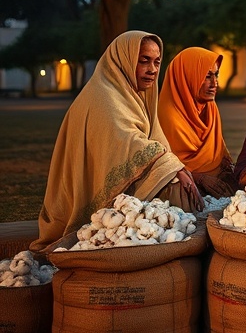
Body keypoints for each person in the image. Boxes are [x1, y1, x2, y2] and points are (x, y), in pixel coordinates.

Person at [31, 31, 203, 252]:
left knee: (175, 180)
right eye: (144, 61)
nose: (152, 69)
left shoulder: (137, 96)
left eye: (157, 62)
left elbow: (155, 140)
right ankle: (172, 249)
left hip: (125, 180)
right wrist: (173, 168)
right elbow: (128, 142)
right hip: (89, 191)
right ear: (124, 60)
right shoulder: (102, 96)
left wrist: (174, 167)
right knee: (176, 186)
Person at [158, 47, 238, 198]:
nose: (215, 83)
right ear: (187, 77)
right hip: (181, 188)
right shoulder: (168, 116)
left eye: (216, 75)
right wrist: (199, 178)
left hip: (216, 183)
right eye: (207, 76)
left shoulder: (210, 108)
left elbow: (220, 153)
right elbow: (163, 168)